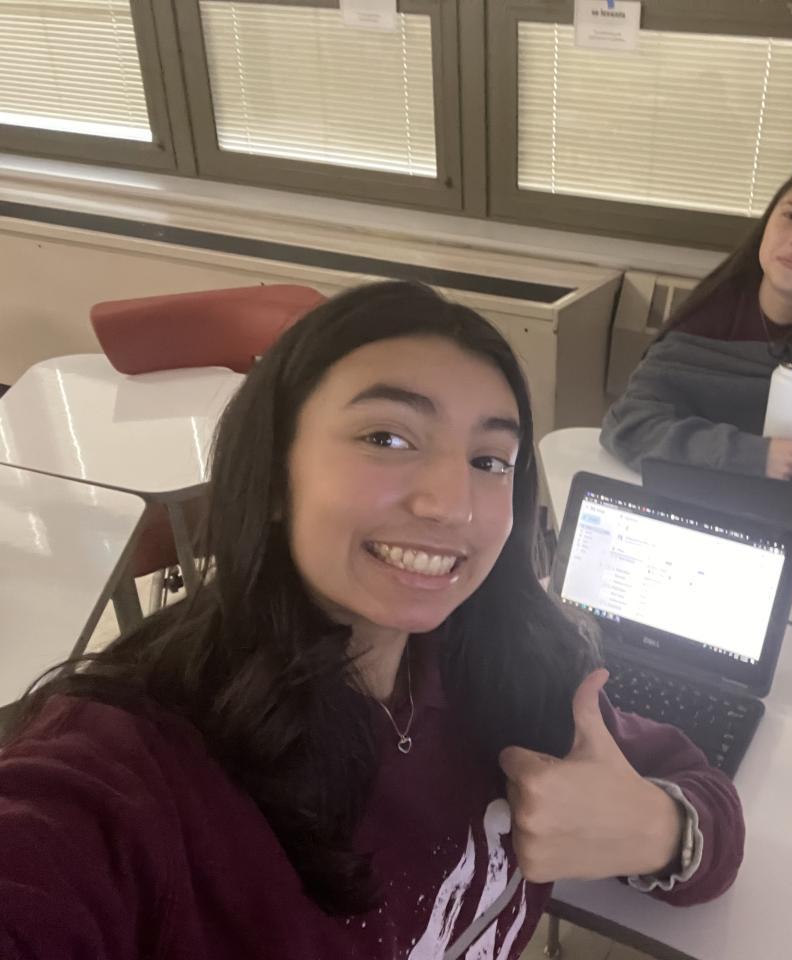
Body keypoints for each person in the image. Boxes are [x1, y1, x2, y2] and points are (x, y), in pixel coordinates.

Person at [0, 281, 744, 959]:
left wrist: (656, 830)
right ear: (275, 472)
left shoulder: (515, 663)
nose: (450, 506)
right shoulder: (133, 769)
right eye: (387, 438)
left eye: (490, 460)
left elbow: (704, 798)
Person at [601, 164, 792, 508]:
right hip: (697, 506)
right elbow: (630, 426)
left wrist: (776, 468)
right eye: (790, 216)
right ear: (766, 226)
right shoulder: (714, 306)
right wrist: (754, 457)